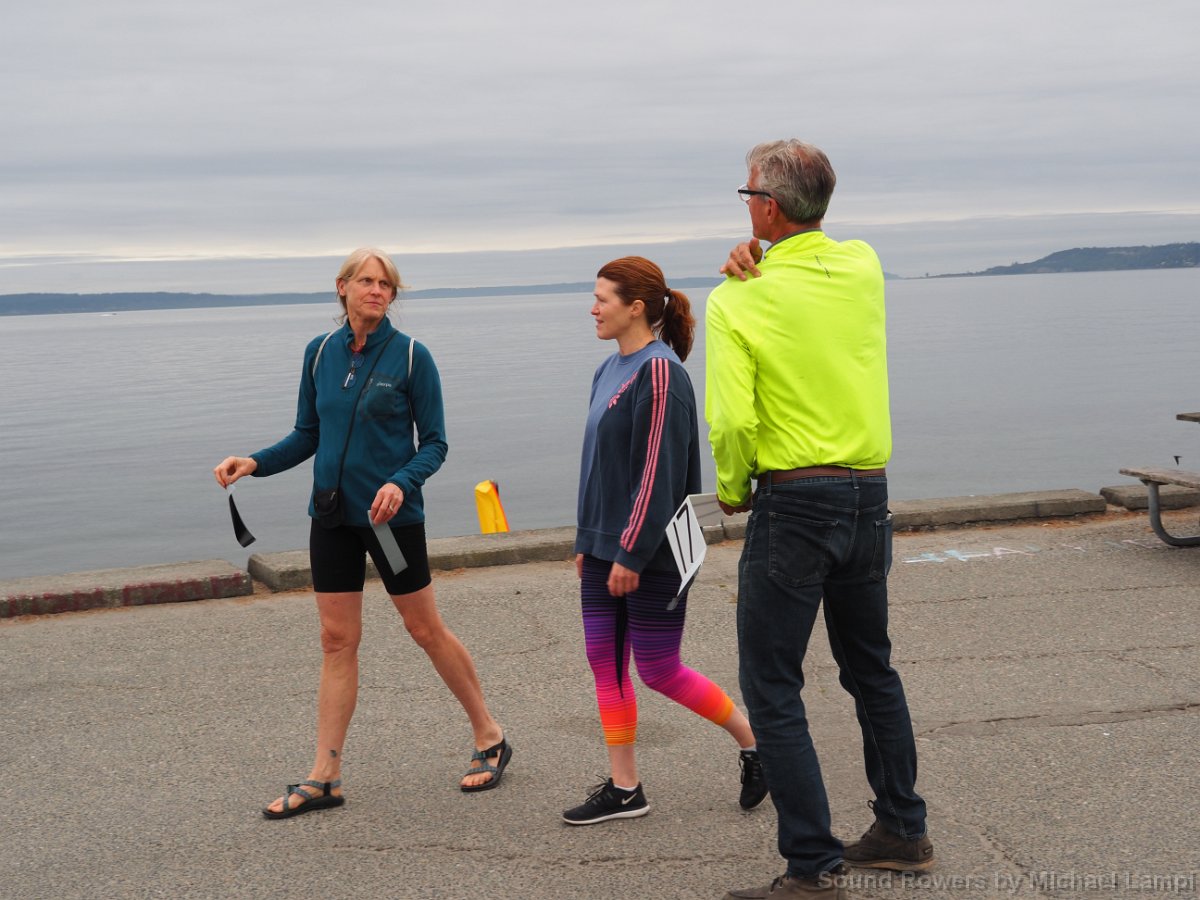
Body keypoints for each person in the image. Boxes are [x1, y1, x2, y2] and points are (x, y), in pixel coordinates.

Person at [707, 142, 933, 899]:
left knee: (772, 685)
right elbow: (813, 253)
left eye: (749, 195)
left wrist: (732, 486)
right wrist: (763, 247)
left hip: (796, 501)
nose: (745, 205)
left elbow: (732, 421)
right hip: (869, 493)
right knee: (871, 668)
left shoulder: (736, 299)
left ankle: (811, 865)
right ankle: (902, 827)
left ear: (768, 206)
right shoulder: (863, 266)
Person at [213, 247, 511, 819]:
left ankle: (490, 734)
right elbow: (307, 434)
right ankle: (325, 775)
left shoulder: (412, 356)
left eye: (386, 284)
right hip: (331, 517)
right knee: (335, 639)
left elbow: (436, 444)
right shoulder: (319, 352)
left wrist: (401, 481)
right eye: (367, 281)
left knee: (424, 629)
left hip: (390, 521)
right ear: (342, 287)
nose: (377, 291)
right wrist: (254, 462)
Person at [563, 255, 767, 826]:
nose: (593, 308)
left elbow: (658, 471)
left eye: (602, 298)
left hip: (651, 553)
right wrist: (586, 538)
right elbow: (596, 465)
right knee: (605, 663)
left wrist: (629, 551)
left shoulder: (660, 372)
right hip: (604, 547)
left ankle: (756, 743)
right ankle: (626, 788)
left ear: (635, 308)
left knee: (657, 668)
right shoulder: (607, 370)